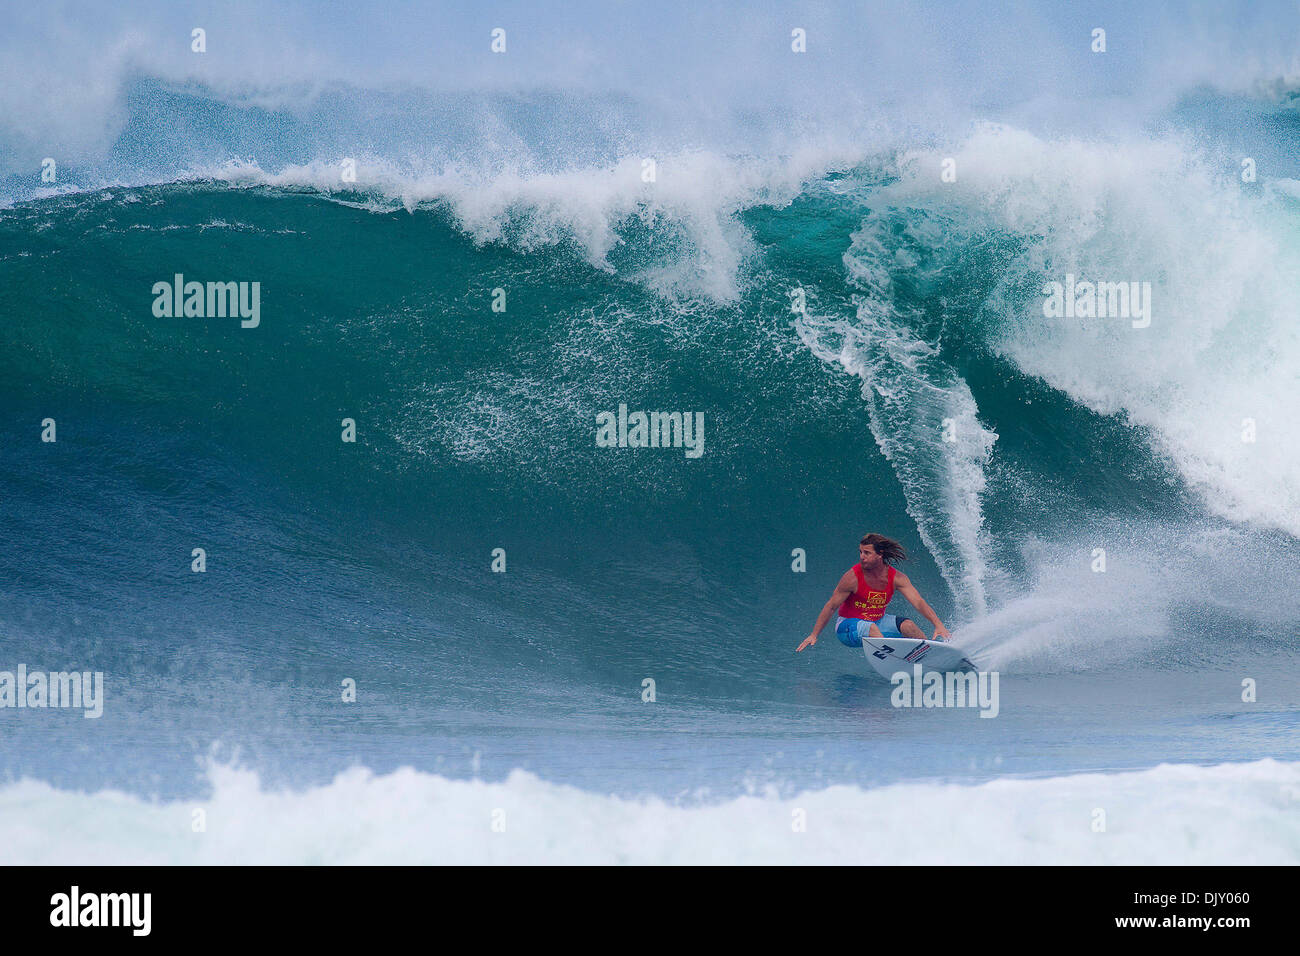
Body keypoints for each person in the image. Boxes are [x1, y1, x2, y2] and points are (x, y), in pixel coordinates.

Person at [797, 533, 951, 653]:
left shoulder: (897, 578)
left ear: (880, 554)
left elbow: (918, 602)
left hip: (878, 622)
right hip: (847, 627)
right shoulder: (852, 578)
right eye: (860, 552)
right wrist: (814, 634)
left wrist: (938, 625)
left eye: (867, 553)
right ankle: (895, 662)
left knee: (908, 626)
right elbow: (831, 606)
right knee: (871, 628)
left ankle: (928, 655)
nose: (861, 557)